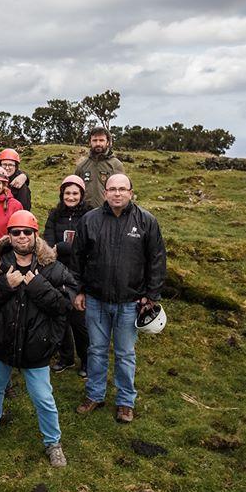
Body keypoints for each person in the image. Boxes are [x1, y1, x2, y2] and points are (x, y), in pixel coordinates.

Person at [0, 210, 76, 467]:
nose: (21, 237)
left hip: (35, 347)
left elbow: (65, 305)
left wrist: (37, 286)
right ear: (8, 235)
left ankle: (53, 442)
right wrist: (5, 285)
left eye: (26, 232)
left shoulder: (53, 268)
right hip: (2, 342)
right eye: (15, 232)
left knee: (43, 398)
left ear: (35, 234)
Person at [73, 174, 167, 423]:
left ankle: (126, 402)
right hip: (95, 300)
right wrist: (79, 290)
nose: (117, 193)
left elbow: (157, 260)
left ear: (131, 192)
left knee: (125, 353)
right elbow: (77, 258)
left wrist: (151, 296)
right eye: (112, 189)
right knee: (96, 350)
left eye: (122, 189)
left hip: (130, 301)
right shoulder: (89, 220)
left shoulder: (146, 221)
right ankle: (95, 394)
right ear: (104, 193)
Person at [43, 175, 93, 376]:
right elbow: (48, 241)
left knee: (79, 322)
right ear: (61, 194)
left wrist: (62, 247)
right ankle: (66, 357)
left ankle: (86, 360)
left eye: (75, 193)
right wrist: (54, 249)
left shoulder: (90, 215)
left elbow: (87, 244)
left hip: (79, 274)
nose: (70, 197)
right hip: (57, 272)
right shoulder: (55, 214)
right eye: (67, 193)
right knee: (59, 318)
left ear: (81, 195)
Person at [74, 127, 125, 208]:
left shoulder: (116, 165)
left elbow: (123, 192)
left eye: (101, 140)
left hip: (109, 214)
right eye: (94, 140)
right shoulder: (81, 166)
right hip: (85, 215)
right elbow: (74, 191)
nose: (98, 143)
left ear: (108, 142)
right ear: (90, 142)